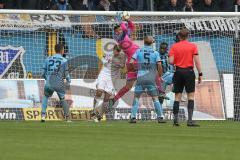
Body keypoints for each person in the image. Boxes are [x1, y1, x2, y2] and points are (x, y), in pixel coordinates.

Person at [169, 28, 202, 127]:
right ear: (188, 36)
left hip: (178, 72)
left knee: (177, 97)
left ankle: (175, 120)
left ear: (179, 36)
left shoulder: (174, 46)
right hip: (189, 72)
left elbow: (170, 61)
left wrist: (176, 61)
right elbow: (197, 61)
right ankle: (190, 120)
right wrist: (200, 74)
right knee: (190, 96)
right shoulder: (193, 46)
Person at [129, 36, 165, 123]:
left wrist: (135, 69)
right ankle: (160, 117)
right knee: (155, 98)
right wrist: (159, 76)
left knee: (137, 97)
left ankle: (133, 117)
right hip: (151, 78)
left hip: (140, 77)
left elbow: (130, 62)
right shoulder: (155, 53)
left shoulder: (138, 51)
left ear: (144, 42)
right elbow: (159, 65)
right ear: (152, 42)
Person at [92, 44, 126, 122]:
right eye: (116, 51)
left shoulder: (122, 57)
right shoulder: (107, 54)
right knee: (99, 91)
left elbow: (123, 67)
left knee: (107, 97)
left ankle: (100, 115)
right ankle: (94, 111)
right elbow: (103, 62)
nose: (117, 53)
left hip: (112, 78)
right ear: (113, 50)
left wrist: (119, 63)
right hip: (104, 74)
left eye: (118, 51)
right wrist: (108, 60)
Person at [41, 44, 71, 122]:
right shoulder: (64, 60)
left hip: (49, 83)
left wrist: (47, 79)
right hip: (58, 83)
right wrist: (68, 81)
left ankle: (43, 116)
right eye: (63, 49)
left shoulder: (48, 59)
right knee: (63, 99)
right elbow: (67, 74)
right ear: (61, 50)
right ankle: (67, 118)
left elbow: (43, 73)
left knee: (45, 96)